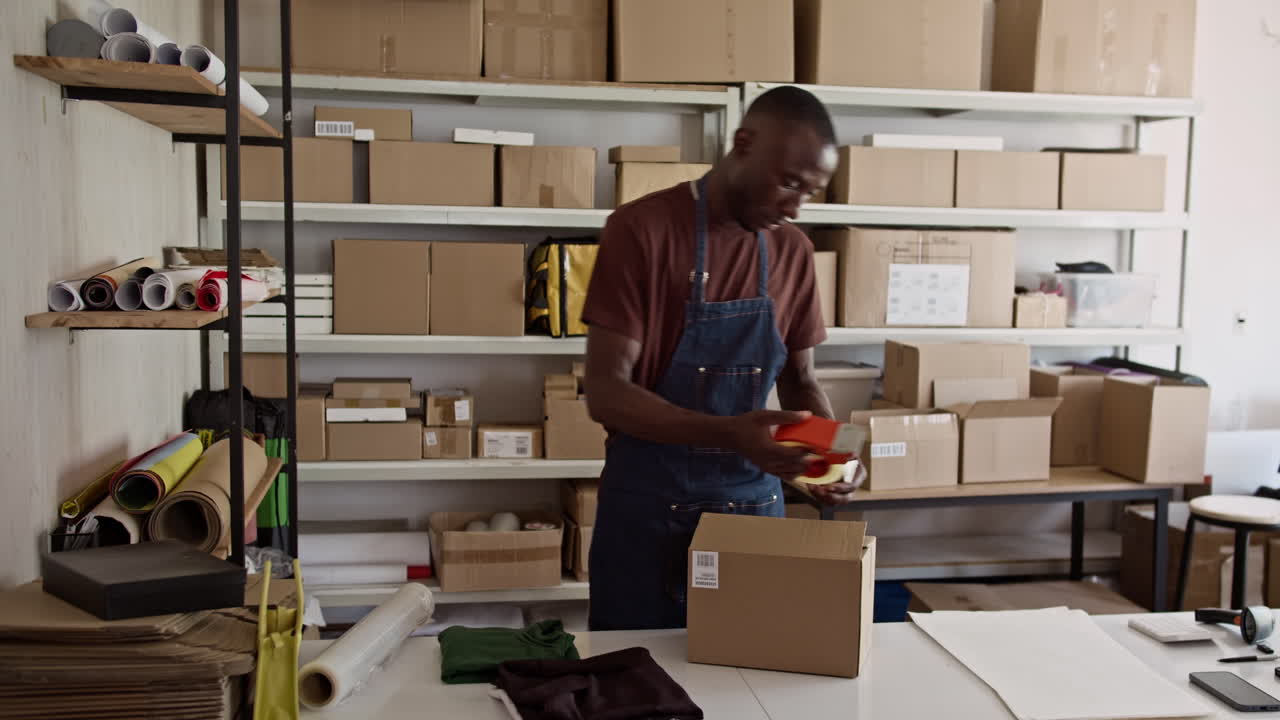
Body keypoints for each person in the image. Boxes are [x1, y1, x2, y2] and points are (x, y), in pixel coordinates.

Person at [581, 86, 863, 632]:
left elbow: (801, 380)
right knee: (637, 680)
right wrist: (733, 433)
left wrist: (836, 458)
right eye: (787, 182)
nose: (794, 207)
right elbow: (606, 393)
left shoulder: (792, 251)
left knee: (749, 678)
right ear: (743, 143)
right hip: (646, 510)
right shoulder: (642, 230)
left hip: (753, 514)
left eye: (810, 192)